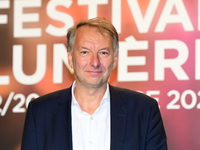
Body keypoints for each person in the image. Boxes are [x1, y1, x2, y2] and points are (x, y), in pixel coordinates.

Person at [21, 17, 167, 150]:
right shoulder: (40, 112)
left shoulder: (144, 110)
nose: (95, 62)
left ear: (115, 59)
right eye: (85, 52)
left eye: (103, 53)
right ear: (70, 59)